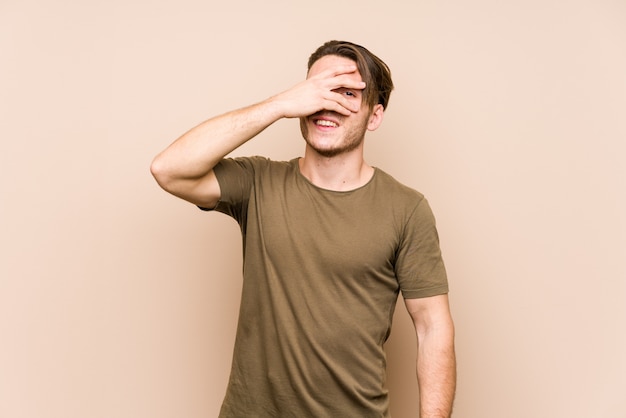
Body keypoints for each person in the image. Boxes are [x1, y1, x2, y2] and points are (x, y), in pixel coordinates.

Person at [151, 40, 456, 418]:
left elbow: (432, 328)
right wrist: (277, 105)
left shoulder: (407, 209)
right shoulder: (257, 182)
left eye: (346, 94)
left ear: (374, 116)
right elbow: (169, 169)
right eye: (318, 90)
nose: (326, 104)